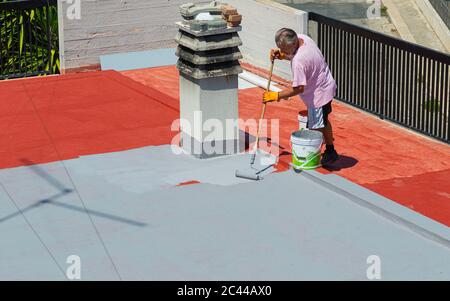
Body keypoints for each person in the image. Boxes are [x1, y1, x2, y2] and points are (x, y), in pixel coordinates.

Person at [263, 27, 339, 166]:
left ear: (293, 43)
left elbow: (298, 88)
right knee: (323, 121)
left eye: (284, 49)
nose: (282, 51)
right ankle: (329, 147)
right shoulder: (304, 38)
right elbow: (296, 55)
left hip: (318, 96)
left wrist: (276, 95)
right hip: (326, 85)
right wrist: (283, 55)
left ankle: (328, 151)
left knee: (316, 126)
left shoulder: (298, 62)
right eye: (280, 48)